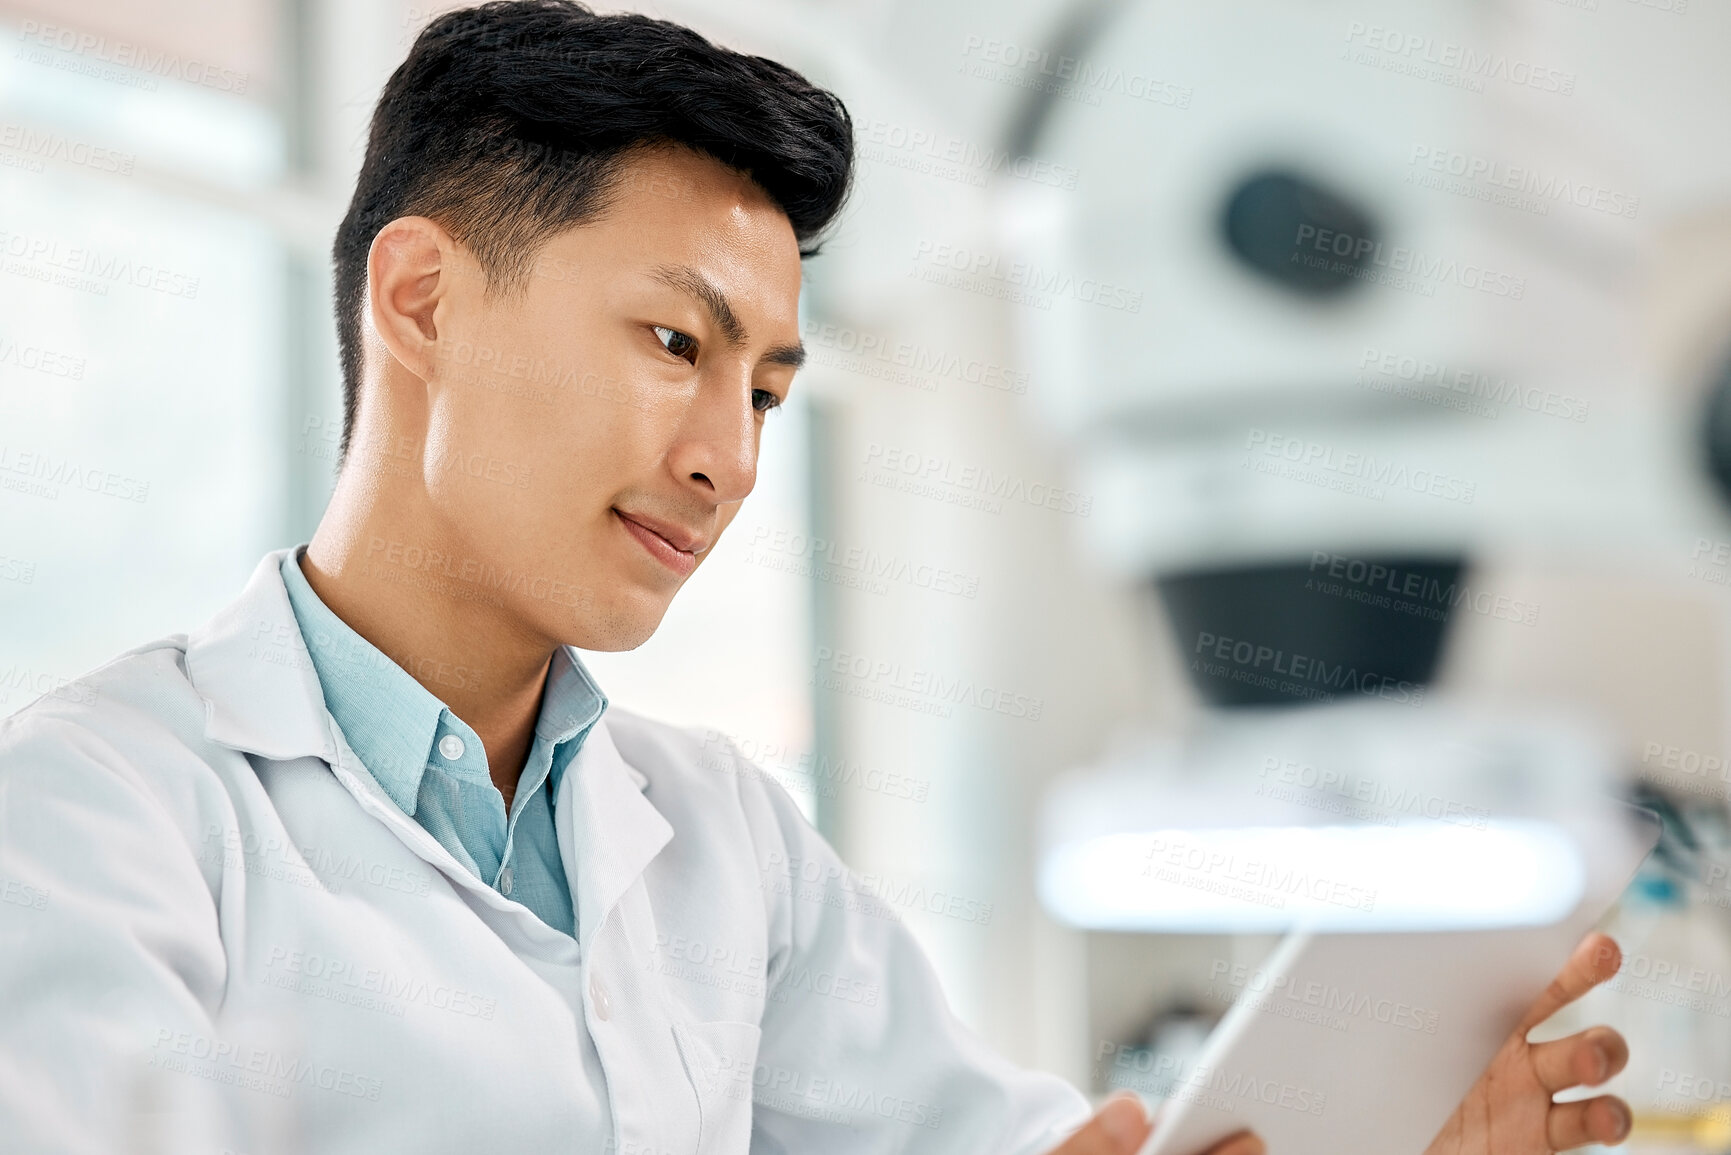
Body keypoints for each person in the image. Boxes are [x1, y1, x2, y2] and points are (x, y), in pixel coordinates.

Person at [0, 2, 1635, 1153]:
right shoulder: (99, 813)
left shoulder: (725, 844)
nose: (730, 459)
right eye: (673, 342)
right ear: (422, 299)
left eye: (770, 391)